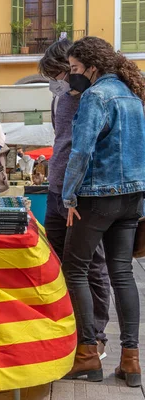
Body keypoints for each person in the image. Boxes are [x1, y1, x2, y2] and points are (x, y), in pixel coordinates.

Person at [62, 36, 145, 387]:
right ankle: (131, 360)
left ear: (92, 67)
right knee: (122, 273)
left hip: (97, 196)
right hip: (132, 197)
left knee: (75, 269)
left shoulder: (96, 97)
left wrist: (69, 197)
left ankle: (87, 355)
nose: (70, 77)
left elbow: (79, 153)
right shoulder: (131, 96)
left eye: (74, 69)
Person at [38, 38, 110, 361]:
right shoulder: (59, 100)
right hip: (55, 190)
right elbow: (61, 141)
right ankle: (70, 327)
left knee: (91, 264)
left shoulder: (92, 98)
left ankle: (96, 335)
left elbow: (90, 148)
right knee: (57, 260)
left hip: (80, 195)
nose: (54, 82)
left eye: (56, 74)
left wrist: (76, 193)